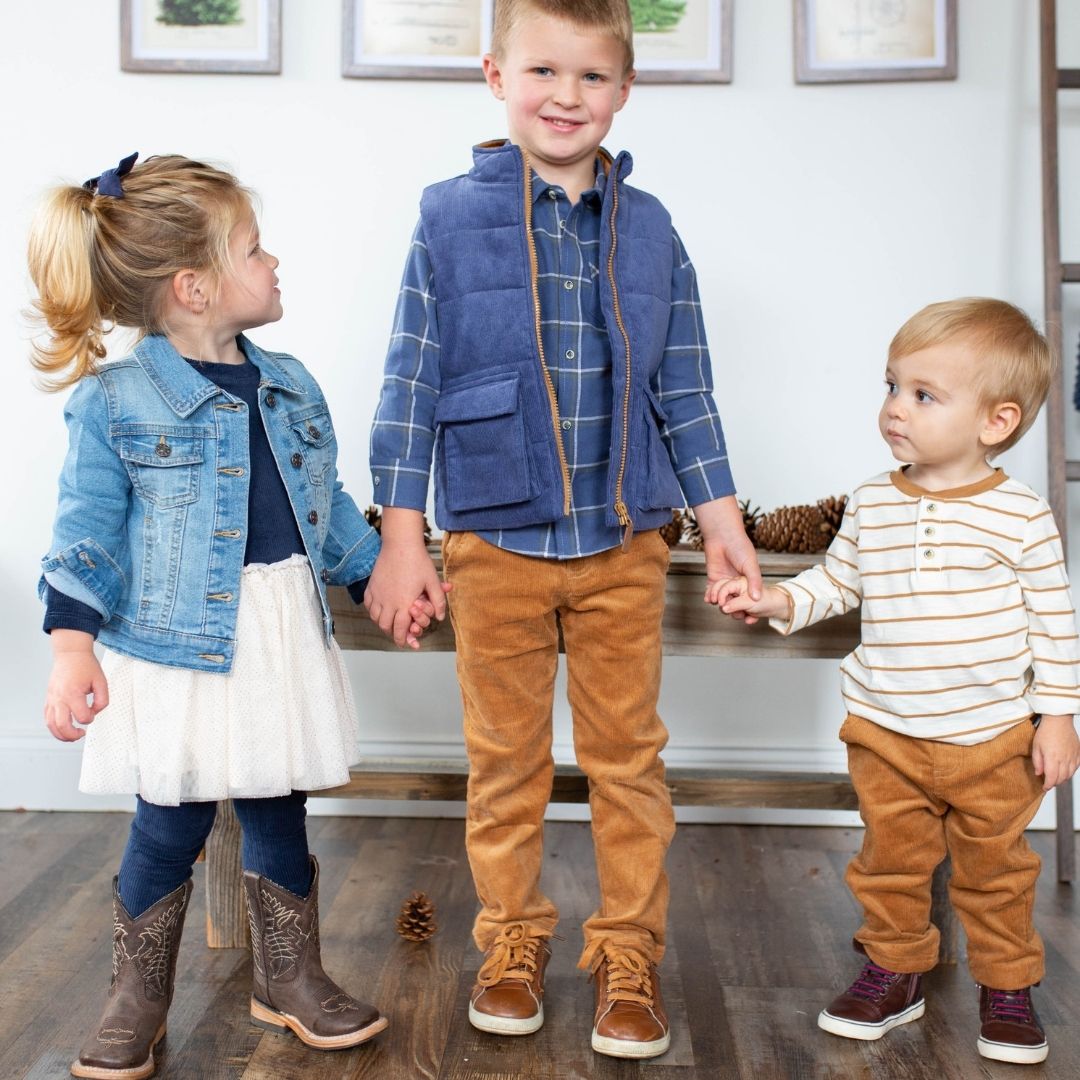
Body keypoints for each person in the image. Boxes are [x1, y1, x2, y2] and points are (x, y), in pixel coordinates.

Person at [366, 0, 760, 1060]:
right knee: (506, 765)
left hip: (625, 542)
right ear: (495, 74)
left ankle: (628, 955)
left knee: (629, 760)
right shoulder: (447, 218)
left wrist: (721, 521)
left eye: (592, 78)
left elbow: (687, 387)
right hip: (493, 543)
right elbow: (411, 382)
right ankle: (510, 944)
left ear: (624, 90)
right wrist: (404, 537)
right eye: (544, 70)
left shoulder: (653, 226)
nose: (567, 97)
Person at [29, 153, 432, 1077]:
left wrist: (384, 576)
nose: (274, 261)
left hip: (277, 632)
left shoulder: (289, 382)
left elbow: (323, 510)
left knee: (276, 806)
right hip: (171, 648)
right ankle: (137, 994)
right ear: (195, 286)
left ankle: (290, 978)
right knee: (168, 819)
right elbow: (84, 531)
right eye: (254, 249)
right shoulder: (117, 403)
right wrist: (70, 647)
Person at [715, 298, 1080, 1066]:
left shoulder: (1021, 516)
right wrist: (778, 599)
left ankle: (1006, 986)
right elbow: (836, 582)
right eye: (891, 386)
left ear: (996, 421)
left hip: (993, 739)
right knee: (890, 863)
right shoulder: (875, 502)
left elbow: (1055, 623)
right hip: (886, 731)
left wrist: (1058, 717)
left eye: (923, 395)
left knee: (997, 873)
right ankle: (895, 971)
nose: (894, 410)